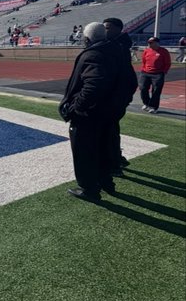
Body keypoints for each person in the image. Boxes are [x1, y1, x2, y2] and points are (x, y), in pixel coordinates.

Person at [58, 21, 128, 201]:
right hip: (109, 114)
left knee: (84, 153)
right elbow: (131, 83)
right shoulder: (118, 51)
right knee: (104, 149)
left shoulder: (94, 55)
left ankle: (89, 189)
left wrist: (76, 108)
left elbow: (94, 85)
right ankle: (106, 182)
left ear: (87, 39)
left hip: (90, 116)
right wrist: (118, 106)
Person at [102, 17, 138, 173]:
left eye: (108, 27)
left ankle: (114, 162)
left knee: (108, 131)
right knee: (111, 130)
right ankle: (116, 158)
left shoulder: (118, 47)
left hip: (115, 98)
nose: (105, 30)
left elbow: (122, 76)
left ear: (118, 29)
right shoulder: (119, 45)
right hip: (118, 96)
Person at [139, 37, 171, 113]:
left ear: (156, 43)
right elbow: (144, 61)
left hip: (158, 74)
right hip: (145, 72)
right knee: (143, 88)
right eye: (149, 43)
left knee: (156, 91)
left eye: (151, 43)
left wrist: (164, 71)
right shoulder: (146, 51)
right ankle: (146, 103)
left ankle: (153, 106)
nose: (149, 44)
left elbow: (167, 63)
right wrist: (143, 69)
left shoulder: (163, 51)